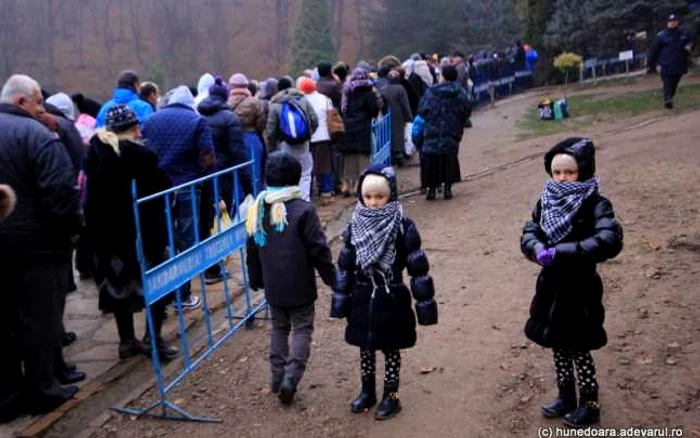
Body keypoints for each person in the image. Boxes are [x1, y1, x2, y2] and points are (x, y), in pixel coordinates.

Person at [520, 138, 623, 428]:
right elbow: (530, 230)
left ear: (584, 170)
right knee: (557, 344)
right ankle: (565, 394)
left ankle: (589, 402)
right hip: (551, 285)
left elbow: (608, 240)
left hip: (580, 287)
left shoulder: (596, 203)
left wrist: (563, 252)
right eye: (557, 173)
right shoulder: (546, 200)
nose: (563, 178)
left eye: (570, 172)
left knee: (579, 346)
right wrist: (535, 248)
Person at [0, 74, 83, 422]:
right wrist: (72, 232)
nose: (41, 109)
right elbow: (61, 194)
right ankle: (43, 389)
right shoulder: (37, 136)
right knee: (40, 320)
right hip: (37, 247)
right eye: (37, 102)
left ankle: (6, 397)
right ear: (22, 102)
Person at [331, 164, 437, 421]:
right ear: (361, 197)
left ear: (391, 195)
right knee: (365, 347)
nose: (374, 202)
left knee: (391, 348)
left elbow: (417, 266)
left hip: (391, 296)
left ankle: (391, 396)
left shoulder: (402, 226)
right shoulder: (355, 225)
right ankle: (367, 390)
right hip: (362, 296)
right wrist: (340, 301)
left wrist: (425, 306)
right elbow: (345, 265)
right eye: (368, 197)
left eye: (380, 196)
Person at [84, 104, 178, 361]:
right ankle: (153, 340)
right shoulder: (142, 157)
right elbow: (164, 188)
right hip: (143, 235)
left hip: (108, 237)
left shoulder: (94, 153)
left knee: (117, 285)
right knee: (157, 283)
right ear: (135, 128)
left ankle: (126, 341)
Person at [245, 151, 336, 405]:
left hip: (274, 286)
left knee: (279, 328)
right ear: (296, 179)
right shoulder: (304, 210)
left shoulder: (258, 210)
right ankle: (291, 377)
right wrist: (332, 279)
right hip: (301, 286)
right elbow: (319, 249)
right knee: (302, 329)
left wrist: (256, 279)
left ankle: (276, 376)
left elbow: (252, 249)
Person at [142, 86, 215, 311]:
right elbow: (208, 155)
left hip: (157, 188)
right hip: (187, 185)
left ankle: (159, 297)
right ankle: (183, 296)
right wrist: (200, 175)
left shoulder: (151, 119)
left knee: (162, 239)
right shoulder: (197, 120)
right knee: (186, 239)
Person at [414, 66, 470, 200]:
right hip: (452, 129)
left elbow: (422, 110)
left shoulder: (431, 92)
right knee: (449, 157)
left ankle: (431, 189)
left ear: (443, 76)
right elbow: (467, 108)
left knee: (431, 158)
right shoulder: (460, 92)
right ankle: (447, 188)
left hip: (432, 130)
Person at [264, 77, 319, 202]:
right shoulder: (302, 99)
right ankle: (304, 200)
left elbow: (271, 130)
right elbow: (314, 120)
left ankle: (290, 202)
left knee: (287, 172)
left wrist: (272, 150)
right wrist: (308, 135)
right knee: (305, 172)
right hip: (303, 142)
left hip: (285, 144)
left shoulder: (275, 104)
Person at [336, 68, 382, 197]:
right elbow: (374, 110)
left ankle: (346, 185)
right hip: (362, 127)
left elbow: (342, 108)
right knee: (361, 158)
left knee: (348, 157)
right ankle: (359, 185)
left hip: (347, 127)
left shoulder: (347, 91)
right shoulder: (368, 91)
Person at [298, 77, 335, 205]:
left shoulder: (301, 101)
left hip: (307, 138)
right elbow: (330, 118)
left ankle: (307, 193)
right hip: (323, 136)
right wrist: (330, 134)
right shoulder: (325, 99)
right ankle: (326, 192)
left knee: (308, 167)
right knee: (325, 165)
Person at [228, 73, 267, 193]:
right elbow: (261, 124)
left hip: (233, 142)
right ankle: (255, 202)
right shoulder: (255, 103)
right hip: (252, 139)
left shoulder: (226, 104)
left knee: (237, 174)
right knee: (255, 173)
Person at [648, 14, 693, 109]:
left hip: (679, 64)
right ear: (667, 23)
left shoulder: (682, 35)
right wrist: (651, 64)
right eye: (670, 21)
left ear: (677, 22)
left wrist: (689, 48)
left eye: (674, 21)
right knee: (668, 82)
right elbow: (654, 50)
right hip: (666, 64)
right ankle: (668, 100)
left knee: (674, 83)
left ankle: (669, 97)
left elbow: (691, 42)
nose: (672, 23)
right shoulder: (662, 36)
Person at [376, 70, 412, 165]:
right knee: (399, 135)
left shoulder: (383, 89)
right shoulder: (401, 88)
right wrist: (408, 116)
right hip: (398, 115)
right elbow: (405, 104)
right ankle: (399, 155)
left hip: (386, 115)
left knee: (388, 135)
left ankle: (390, 156)